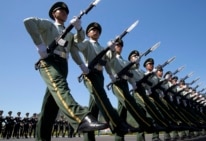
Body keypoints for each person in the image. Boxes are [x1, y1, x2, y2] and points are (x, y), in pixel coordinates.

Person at [23, 2, 108, 141]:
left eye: (66, 12)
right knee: (61, 88)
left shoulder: (69, 33)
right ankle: (81, 118)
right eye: (60, 10)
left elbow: (76, 46)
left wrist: (79, 28)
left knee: (50, 107)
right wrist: (40, 45)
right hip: (49, 61)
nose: (64, 13)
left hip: (63, 64)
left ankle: (42, 138)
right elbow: (28, 22)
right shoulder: (49, 25)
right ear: (53, 14)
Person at [75, 22, 139, 141]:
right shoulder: (87, 43)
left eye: (98, 31)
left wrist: (112, 50)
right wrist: (82, 65)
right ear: (88, 33)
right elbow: (76, 47)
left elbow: (108, 60)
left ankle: (89, 138)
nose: (96, 31)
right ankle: (117, 124)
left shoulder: (100, 47)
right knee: (102, 98)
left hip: (100, 75)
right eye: (93, 30)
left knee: (95, 107)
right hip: (90, 73)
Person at [105, 40, 164, 141]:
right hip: (118, 83)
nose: (119, 47)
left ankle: (119, 138)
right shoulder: (112, 55)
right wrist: (111, 75)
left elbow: (133, 67)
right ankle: (147, 123)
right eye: (117, 45)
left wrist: (137, 61)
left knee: (122, 111)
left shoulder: (124, 61)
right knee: (131, 104)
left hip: (125, 84)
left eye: (121, 45)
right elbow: (108, 62)